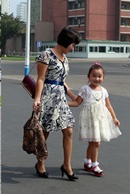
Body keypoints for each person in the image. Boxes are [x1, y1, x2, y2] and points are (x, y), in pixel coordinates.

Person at [33, 26, 81, 180]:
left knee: (68, 131)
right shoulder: (46, 55)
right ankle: (40, 163)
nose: (73, 48)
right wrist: (37, 99)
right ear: (67, 42)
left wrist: (73, 96)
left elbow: (62, 81)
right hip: (48, 97)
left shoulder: (65, 59)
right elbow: (40, 78)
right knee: (44, 133)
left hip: (60, 98)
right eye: (73, 44)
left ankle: (66, 165)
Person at [66, 63, 121, 177]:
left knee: (93, 142)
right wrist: (64, 104)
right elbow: (77, 102)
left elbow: (108, 105)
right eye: (94, 76)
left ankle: (88, 162)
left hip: (100, 119)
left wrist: (114, 118)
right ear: (89, 76)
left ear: (103, 77)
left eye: (99, 76)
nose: (97, 79)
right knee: (95, 142)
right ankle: (95, 165)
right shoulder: (85, 89)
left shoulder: (104, 91)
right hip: (89, 119)